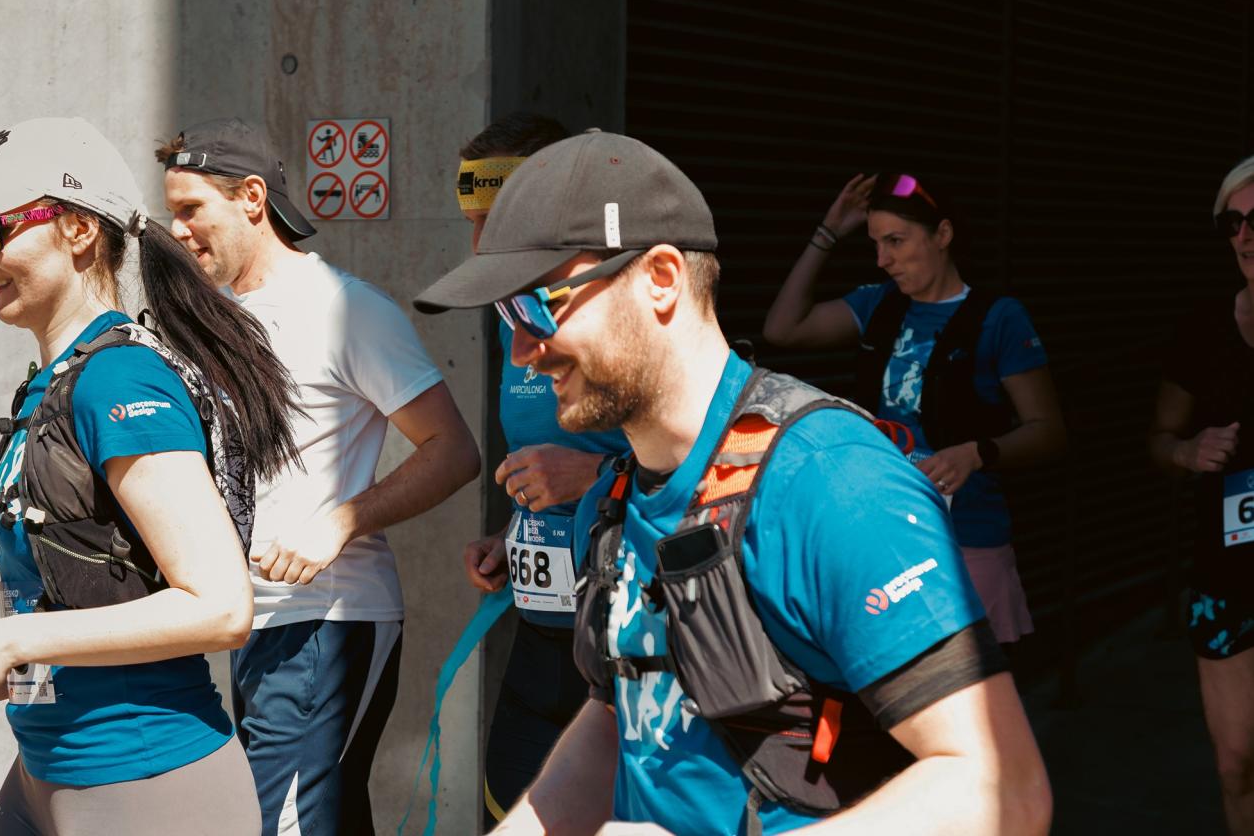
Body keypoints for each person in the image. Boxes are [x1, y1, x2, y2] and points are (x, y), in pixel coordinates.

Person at [414, 132, 1051, 835]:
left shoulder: (831, 481)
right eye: (506, 315)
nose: (522, 351)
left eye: (538, 306)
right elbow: (617, 719)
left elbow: (1002, 789)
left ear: (661, 278)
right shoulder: (613, 502)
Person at [0, 117, 303, 834]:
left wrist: (5, 642)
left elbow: (221, 608)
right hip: (48, 773)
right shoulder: (55, 384)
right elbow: (72, 611)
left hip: (147, 784)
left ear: (78, 230)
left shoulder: (119, 380)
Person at [158, 117, 481, 836]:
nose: (176, 230)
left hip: (328, 621)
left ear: (251, 197)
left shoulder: (344, 308)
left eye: (191, 209)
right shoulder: (215, 316)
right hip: (251, 623)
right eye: (171, 212)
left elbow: (454, 451)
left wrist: (338, 522)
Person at [762, 173, 1066, 646]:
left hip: (967, 536)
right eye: (876, 244)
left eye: (896, 241)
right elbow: (782, 330)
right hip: (886, 528)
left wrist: (977, 453)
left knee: (976, 675)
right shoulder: (878, 304)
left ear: (942, 235)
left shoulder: (998, 318)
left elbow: (1048, 431)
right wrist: (828, 232)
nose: (883, 260)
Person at [454, 113, 631, 824]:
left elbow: (708, 466)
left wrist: (592, 478)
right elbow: (550, 463)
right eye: (470, 221)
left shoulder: (616, 316)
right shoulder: (514, 320)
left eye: (495, 221)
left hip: (621, 636)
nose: (477, 244)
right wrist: (514, 533)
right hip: (538, 629)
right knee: (505, 811)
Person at [1150, 155, 1254, 835]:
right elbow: (1158, 439)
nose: (1245, 235)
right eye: (1232, 223)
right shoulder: (1203, 329)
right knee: (1237, 764)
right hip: (1228, 576)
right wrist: (1187, 452)